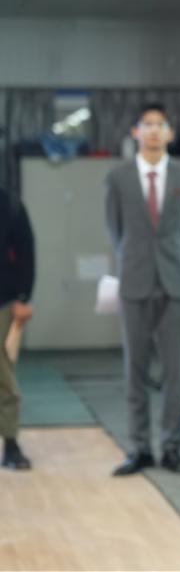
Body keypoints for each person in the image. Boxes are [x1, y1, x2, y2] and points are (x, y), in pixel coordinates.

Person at [105, 103, 180, 476]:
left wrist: (175, 257)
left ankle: (172, 447)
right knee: (136, 369)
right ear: (136, 132)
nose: (154, 131)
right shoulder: (118, 178)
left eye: (161, 124)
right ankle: (140, 447)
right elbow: (115, 230)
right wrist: (134, 258)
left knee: (176, 371)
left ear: (170, 133)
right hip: (135, 280)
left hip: (174, 282)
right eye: (147, 124)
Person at [0, 192, 35, 470]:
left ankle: (10, 444)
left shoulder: (8, 204)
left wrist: (23, 297)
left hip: (2, 302)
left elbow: (26, 251)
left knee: (3, 377)